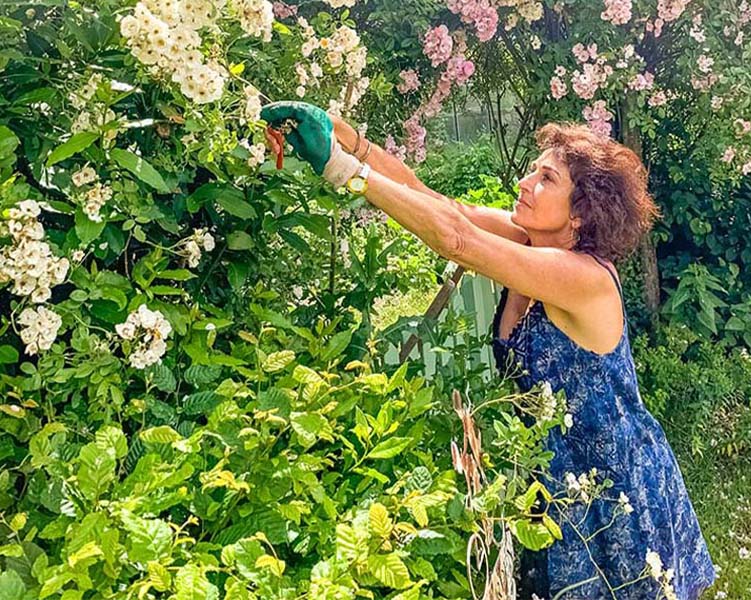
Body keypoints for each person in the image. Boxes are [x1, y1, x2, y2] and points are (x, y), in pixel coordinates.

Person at [261, 101, 717, 599]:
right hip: (552, 480)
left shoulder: (585, 280)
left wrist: (342, 169)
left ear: (584, 213)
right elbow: (440, 206)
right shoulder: (530, 242)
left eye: (545, 179)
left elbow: (457, 240)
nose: (524, 182)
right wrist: (345, 136)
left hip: (612, 487)